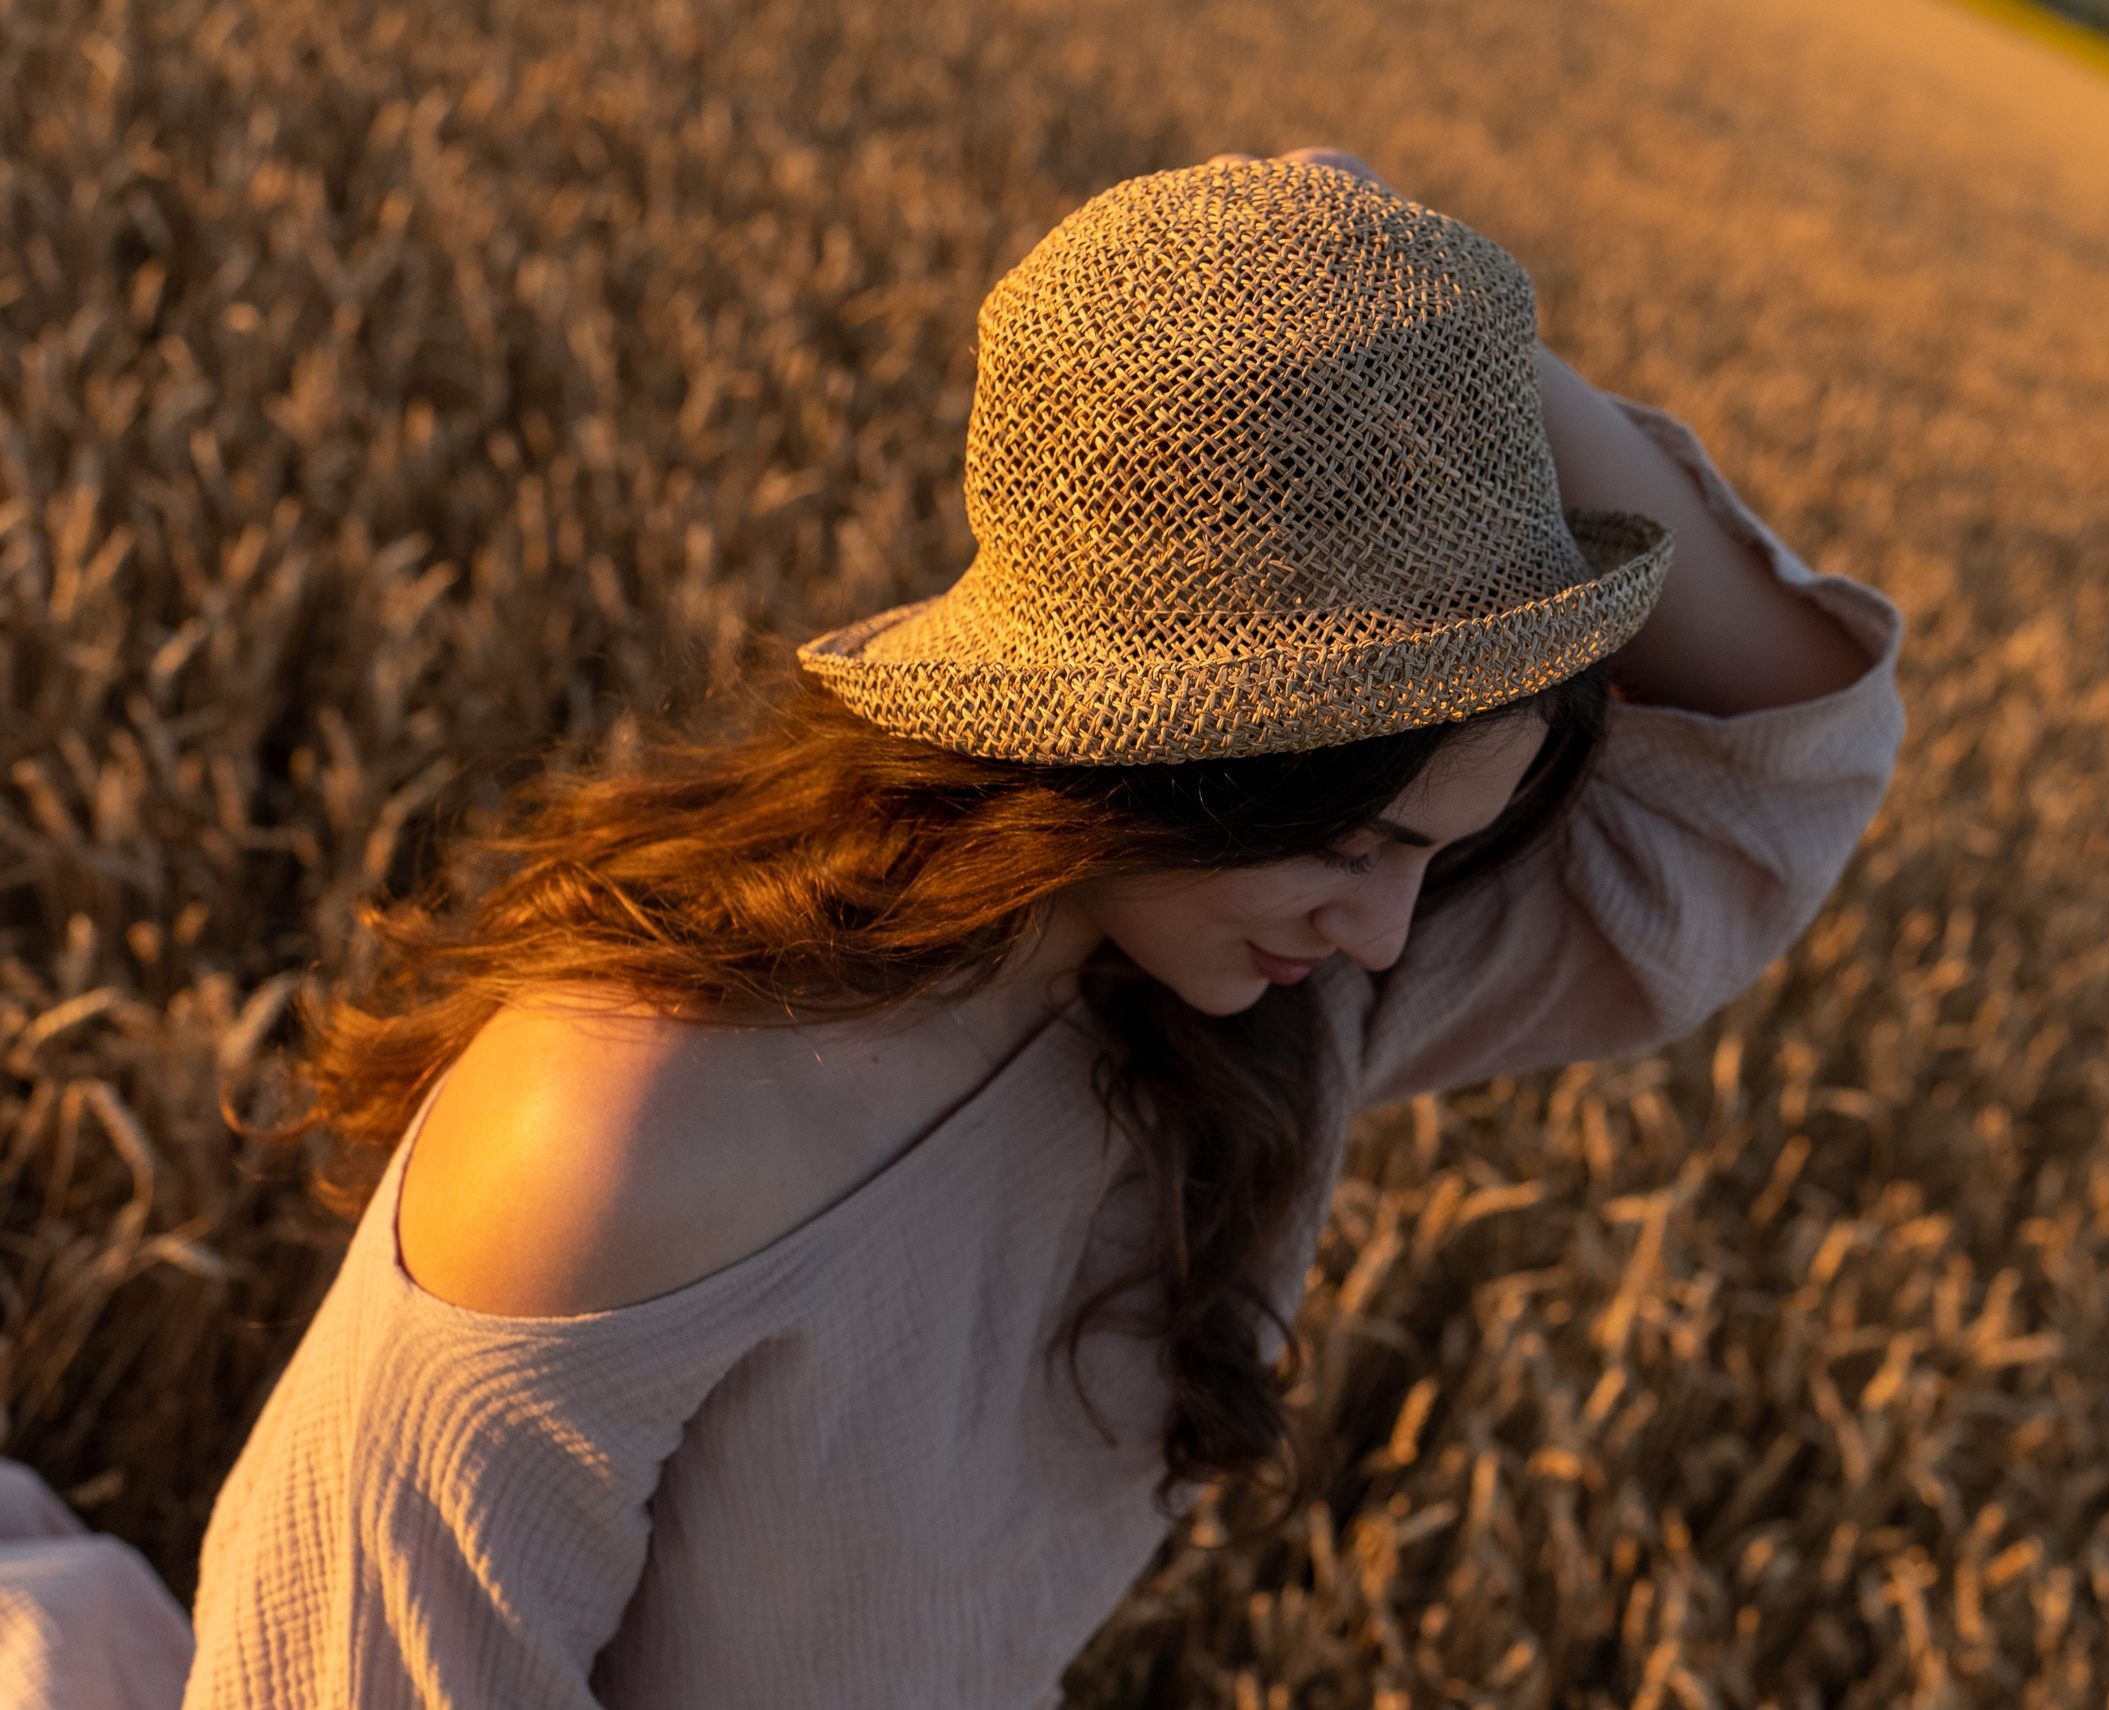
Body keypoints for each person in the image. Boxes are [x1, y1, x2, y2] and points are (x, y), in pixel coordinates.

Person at [177, 150, 1903, 1708]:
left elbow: (1769, 790)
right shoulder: (616, 1136)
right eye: (1360, 842)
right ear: (1153, 756)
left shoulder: (1237, 989)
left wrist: (1436, 351)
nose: (1390, 934)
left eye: (1440, 856)